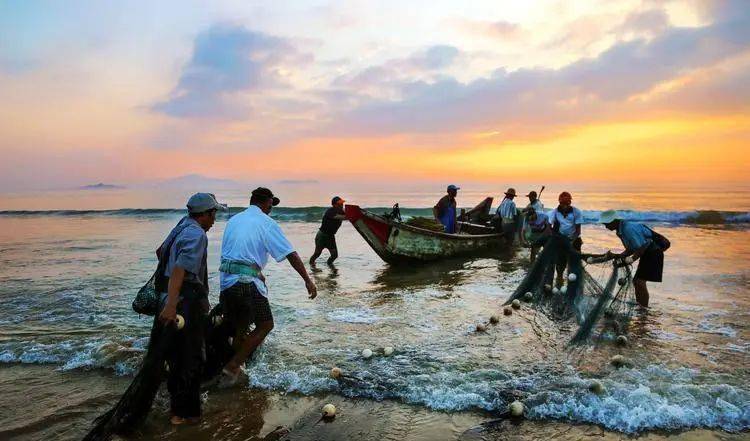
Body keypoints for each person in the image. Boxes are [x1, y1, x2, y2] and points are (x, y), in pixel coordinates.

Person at [218, 187, 317, 385]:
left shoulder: (234, 220)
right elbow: (291, 254)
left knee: (241, 327)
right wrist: (307, 279)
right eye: (271, 204)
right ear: (266, 203)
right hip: (247, 283)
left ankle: (239, 370)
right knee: (265, 325)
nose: (271, 208)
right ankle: (232, 367)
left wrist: (256, 272)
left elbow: (238, 253)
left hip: (227, 282)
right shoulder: (267, 223)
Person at [157, 192, 226, 425]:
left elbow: (160, 252)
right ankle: (189, 415)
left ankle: (176, 410)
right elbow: (181, 270)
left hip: (172, 295)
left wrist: (168, 298)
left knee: (176, 356)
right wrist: (172, 304)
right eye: (214, 213)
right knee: (193, 357)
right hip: (184, 301)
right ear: (204, 214)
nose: (215, 218)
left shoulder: (181, 226)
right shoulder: (197, 235)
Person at [600, 210, 666, 307]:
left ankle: (643, 308)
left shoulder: (628, 228)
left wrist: (631, 259)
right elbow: (631, 248)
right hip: (647, 253)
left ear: (613, 221)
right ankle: (641, 305)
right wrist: (620, 256)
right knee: (637, 282)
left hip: (653, 252)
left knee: (639, 281)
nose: (606, 227)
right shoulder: (620, 230)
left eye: (606, 224)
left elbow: (642, 246)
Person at [548, 191, 583, 287]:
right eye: (562, 203)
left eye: (567, 204)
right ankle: (559, 281)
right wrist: (554, 236)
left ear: (570, 203)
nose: (564, 206)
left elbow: (578, 230)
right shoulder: (555, 212)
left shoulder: (576, 212)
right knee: (560, 264)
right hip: (561, 240)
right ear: (559, 203)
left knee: (574, 264)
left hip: (574, 240)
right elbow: (549, 225)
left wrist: (571, 240)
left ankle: (575, 285)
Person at [310, 196, 347, 265]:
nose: (342, 205)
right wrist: (351, 215)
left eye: (342, 204)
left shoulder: (340, 210)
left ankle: (329, 265)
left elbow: (346, 213)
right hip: (322, 236)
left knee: (334, 255)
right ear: (334, 205)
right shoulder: (330, 211)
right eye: (340, 204)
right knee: (317, 253)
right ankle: (311, 264)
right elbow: (343, 217)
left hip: (330, 236)